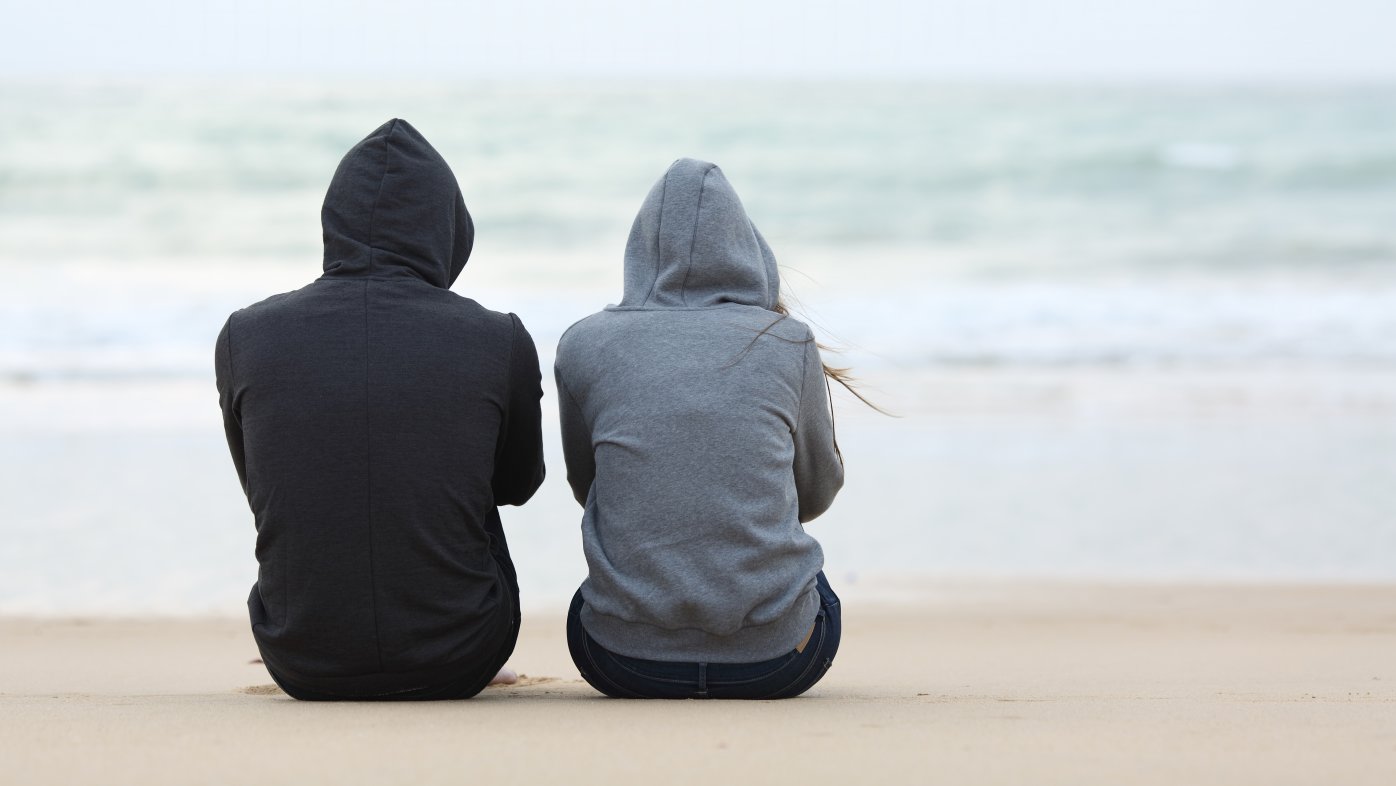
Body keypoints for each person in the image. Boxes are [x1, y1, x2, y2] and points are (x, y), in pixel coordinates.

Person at [214, 119, 544, 700]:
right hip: (461, 656)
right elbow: (518, 484)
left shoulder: (247, 334)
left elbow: (260, 483)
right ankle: (445, 617)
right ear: (449, 228)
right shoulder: (497, 337)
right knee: (458, 481)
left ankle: (332, 625)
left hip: (298, 658)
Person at [555, 158, 848, 699]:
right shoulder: (788, 342)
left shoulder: (584, 343)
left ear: (639, 251)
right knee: (814, 586)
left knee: (594, 598)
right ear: (748, 249)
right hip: (780, 661)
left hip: (622, 662)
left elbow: (591, 488)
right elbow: (818, 490)